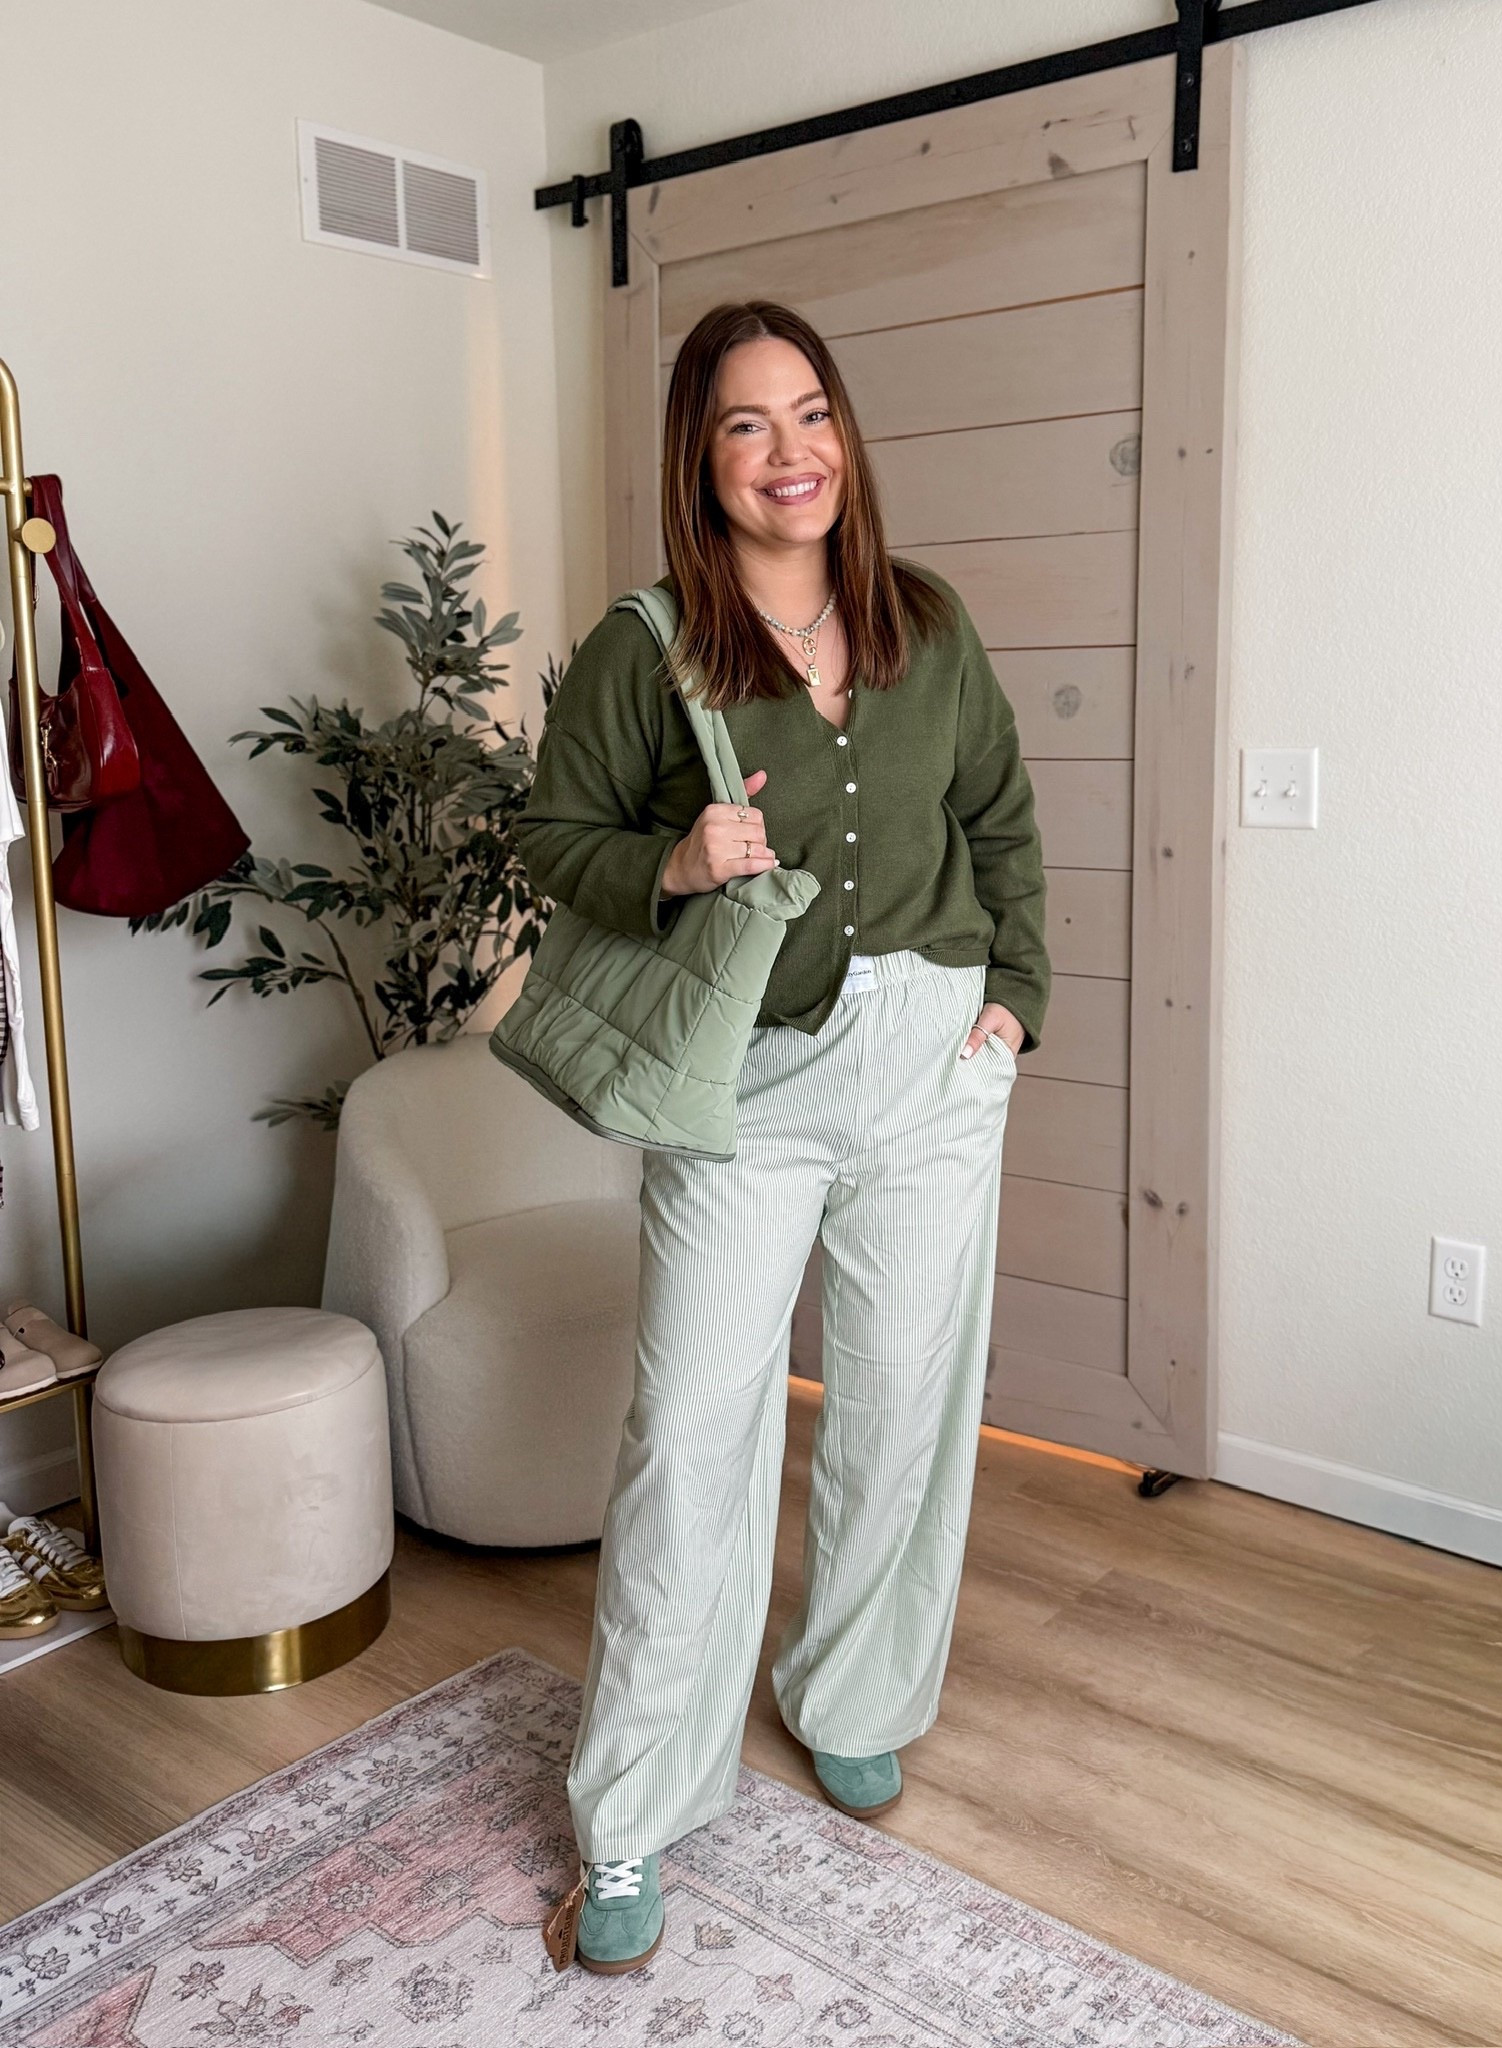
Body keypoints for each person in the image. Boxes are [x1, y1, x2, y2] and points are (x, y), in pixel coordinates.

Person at [514, 298, 1050, 1975]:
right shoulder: (648, 642)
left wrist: (1013, 995)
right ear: (702, 455)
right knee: (693, 1437)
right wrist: (666, 866)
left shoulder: (926, 624)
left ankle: (853, 1691)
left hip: (928, 1066)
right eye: (747, 424)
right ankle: (635, 1808)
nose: (789, 453)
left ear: (846, 432)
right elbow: (557, 838)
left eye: (809, 413)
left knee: (901, 1407)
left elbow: (1002, 820)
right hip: (742, 1083)